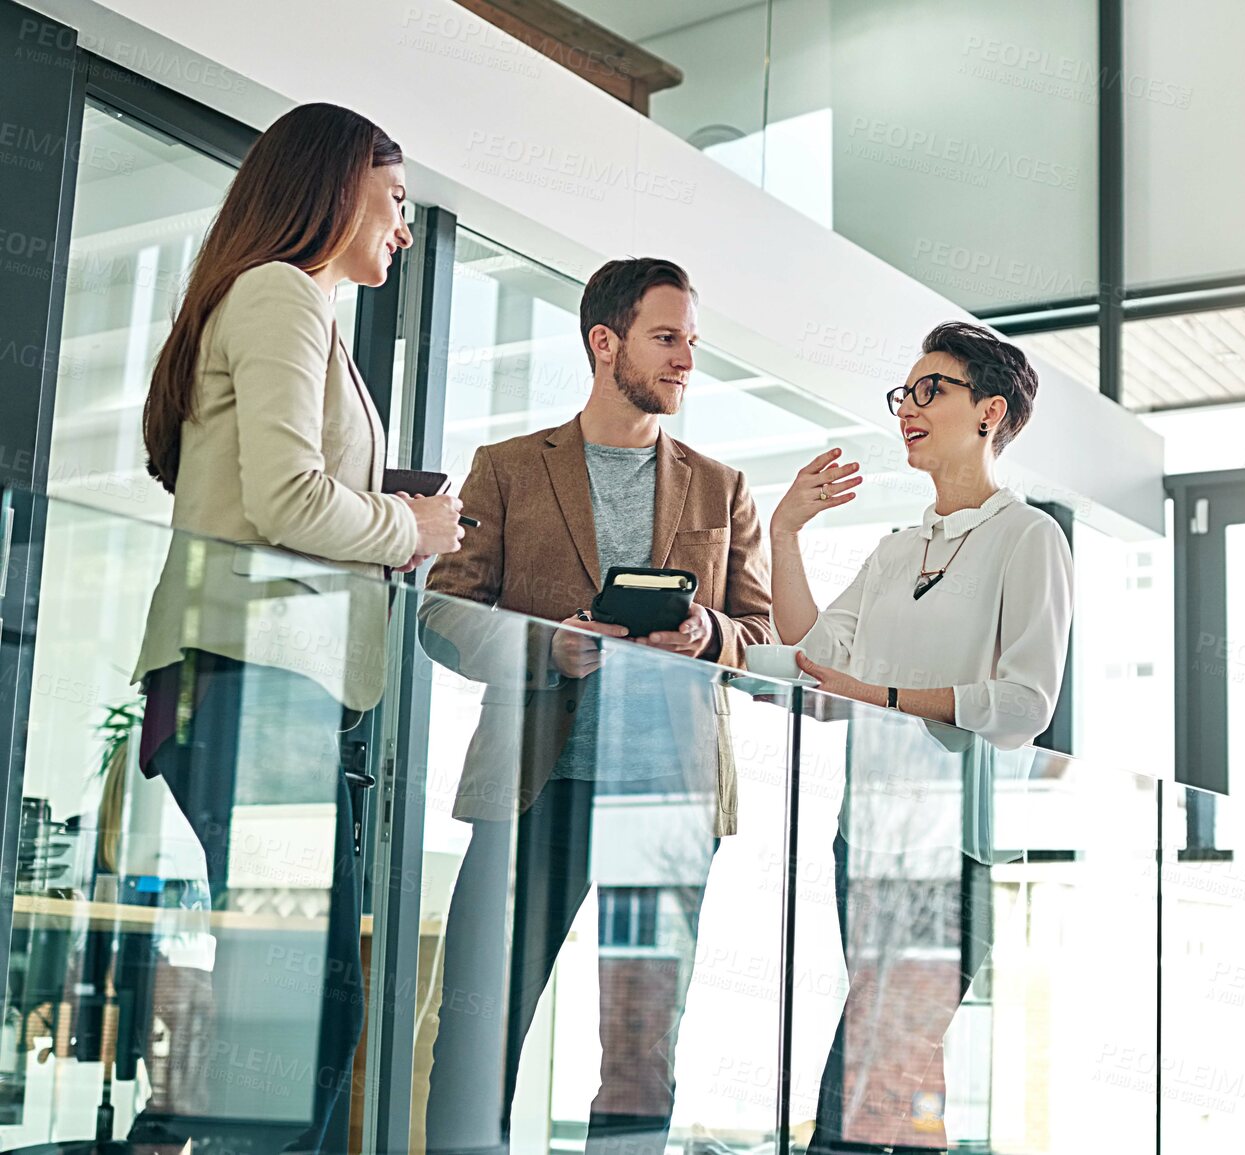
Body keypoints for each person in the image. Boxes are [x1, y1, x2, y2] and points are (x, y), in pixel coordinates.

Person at [130, 103, 463, 1154]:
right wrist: (413, 527)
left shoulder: (292, 305)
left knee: (296, 1004)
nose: (405, 228)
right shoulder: (279, 294)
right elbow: (286, 500)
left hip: (263, 689)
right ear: (334, 184)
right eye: (397, 200)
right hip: (247, 683)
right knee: (305, 1009)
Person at [420, 256, 774, 1155]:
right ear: (603, 341)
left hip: (665, 799)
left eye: (691, 341)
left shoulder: (722, 485)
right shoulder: (506, 468)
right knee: (478, 1029)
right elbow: (443, 615)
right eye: (666, 338)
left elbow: (759, 638)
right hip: (533, 787)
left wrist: (707, 635)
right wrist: (549, 645)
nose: (685, 359)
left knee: (642, 1051)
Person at [768, 321, 1074, 1151]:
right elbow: (809, 656)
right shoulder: (898, 550)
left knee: (876, 1070)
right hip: (862, 838)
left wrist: (884, 695)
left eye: (930, 389)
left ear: (989, 412)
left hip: (951, 847)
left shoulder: (1027, 537)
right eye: (904, 392)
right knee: (897, 1078)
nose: (908, 406)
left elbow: (1023, 705)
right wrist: (784, 534)